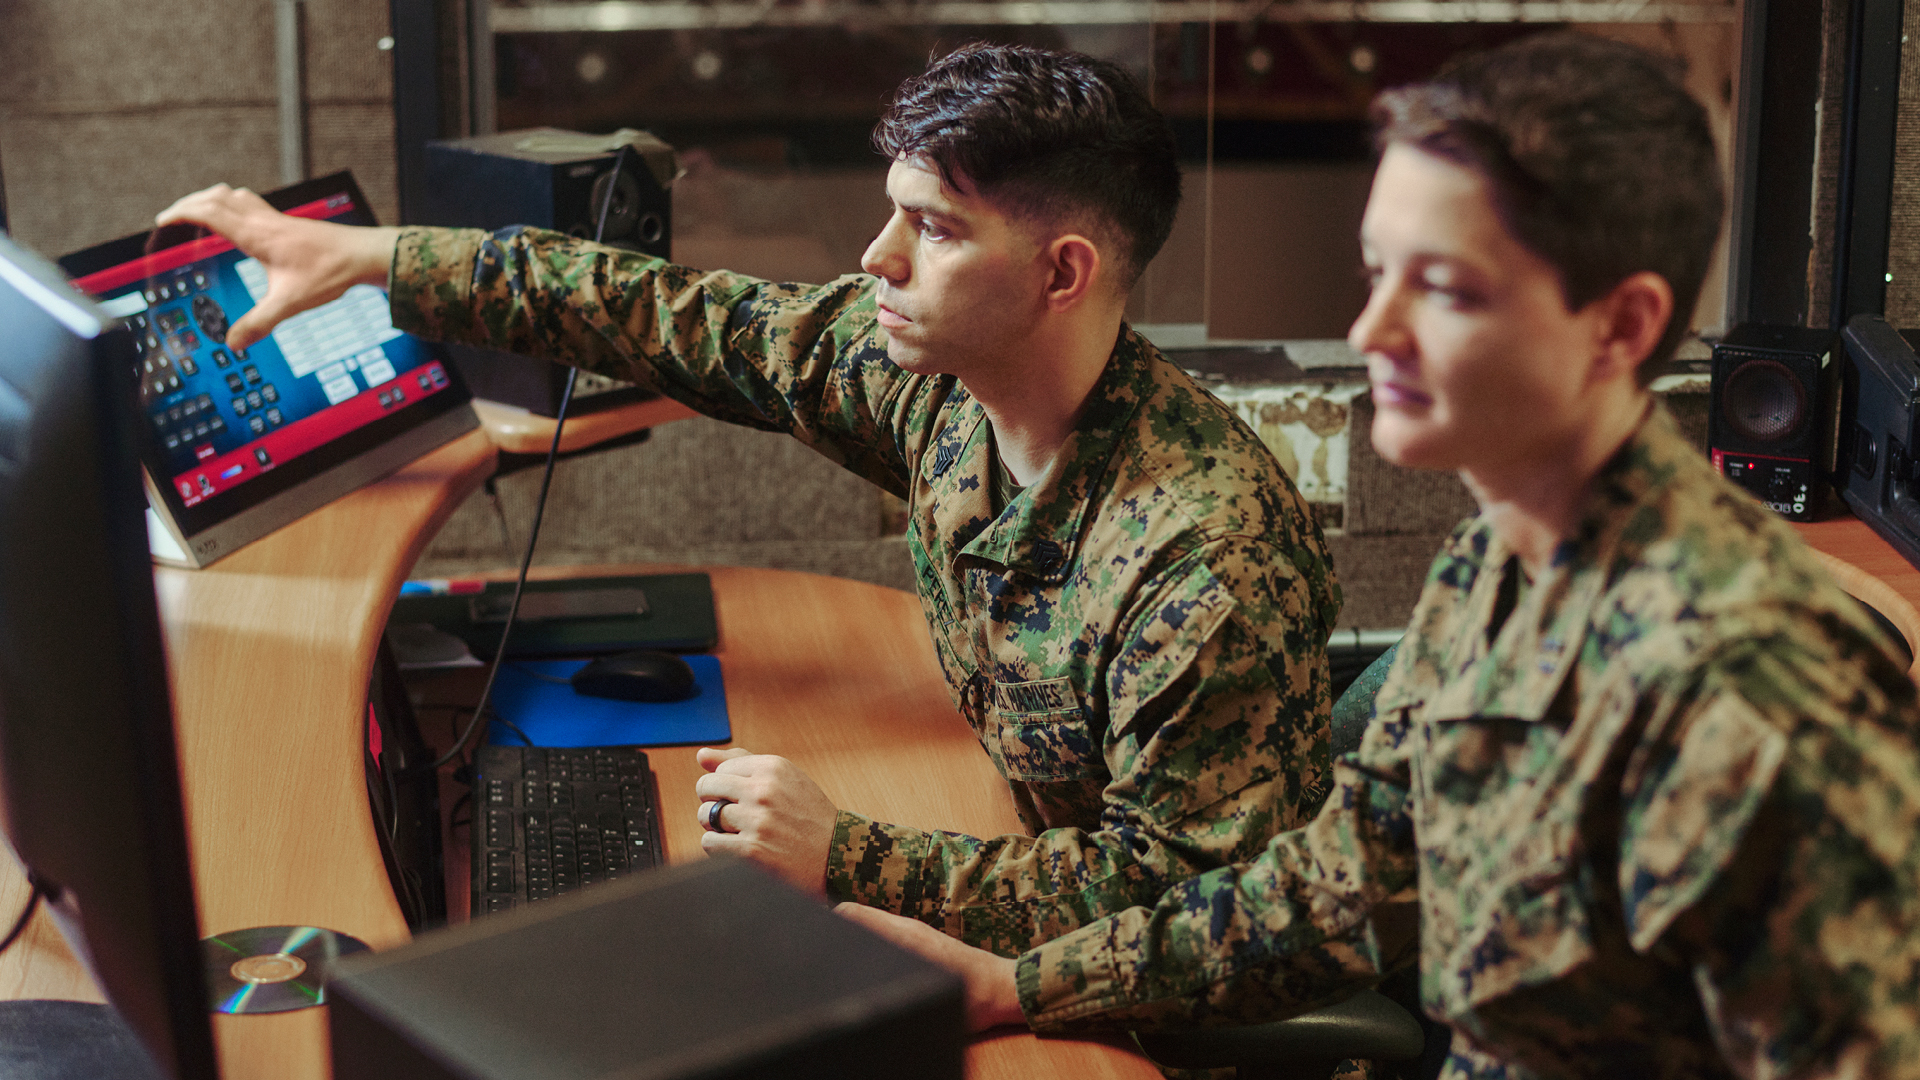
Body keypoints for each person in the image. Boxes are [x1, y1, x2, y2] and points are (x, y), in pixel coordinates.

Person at [836, 31, 1920, 1077]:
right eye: (1376, 272)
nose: (1372, 332)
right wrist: (1022, 986)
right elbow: (1333, 894)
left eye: (1442, 289)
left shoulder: (1762, 702)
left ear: (1623, 328)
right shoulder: (1502, 561)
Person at [155, 43, 1341, 959]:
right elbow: (670, 314)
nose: (877, 258)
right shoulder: (945, 395)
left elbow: (1197, 912)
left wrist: (855, 855)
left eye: (931, 230)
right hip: (1037, 862)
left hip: (1165, 1006)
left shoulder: (1203, 557)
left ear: (1062, 272)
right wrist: (380, 261)